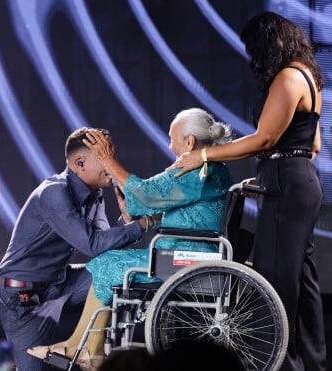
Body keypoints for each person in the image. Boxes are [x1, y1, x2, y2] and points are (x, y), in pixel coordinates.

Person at [167, 12, 326, 370]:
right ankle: (310, 364)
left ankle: (278, 363)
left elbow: (264, 139)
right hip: (298, 180)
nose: (252, 59)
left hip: (288, 183)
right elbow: (312, 144)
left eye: (254, 50)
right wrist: (273, 172)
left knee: (274, 280)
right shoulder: (309, 77)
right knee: (301, 279)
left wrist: (202, 155)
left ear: (270, 43)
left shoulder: (287, 78)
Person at [27, 108, 234, 370]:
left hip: (185, 259)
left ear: (189, 141)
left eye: (172, 139)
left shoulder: (197, 171)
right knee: (108, 261)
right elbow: (149, 198)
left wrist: (108, 159)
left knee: (105, 262)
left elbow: (147, 194)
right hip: (185, 252)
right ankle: (85, 347)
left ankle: (85, 348)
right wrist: (134, 209)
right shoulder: (208, 169)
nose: (170, 145)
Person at [0, 127, 151, 371]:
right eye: (105, 155)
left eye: (113, 153)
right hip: (22, 297)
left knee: (110, 269)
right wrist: (141, 225)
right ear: (80, 163)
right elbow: (91, 244)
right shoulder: (54, 193)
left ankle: (90, 349)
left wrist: (127, 219)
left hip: (60, 283)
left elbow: (102, 245)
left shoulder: (94, 194)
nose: (112, 162)